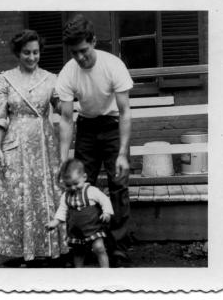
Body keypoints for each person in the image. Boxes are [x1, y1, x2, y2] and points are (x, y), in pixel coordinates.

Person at [56, 14, 133, 266]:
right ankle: (85, 243)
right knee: (79, 186)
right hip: (86, 127)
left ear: (94, 41)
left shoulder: (113, 65)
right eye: (74, 52)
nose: (79, 57)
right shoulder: (68, 72)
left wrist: (122, 152)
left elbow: (124, 112)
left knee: (118, 184)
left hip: (112, 126)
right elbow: (66, 119)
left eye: (84, 50)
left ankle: (118, 248)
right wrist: (64, 158)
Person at [0, 29, 68, 266]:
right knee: (19, 194)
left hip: (44, 142)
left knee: (46, 192)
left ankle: (49, 250)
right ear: (18, 53)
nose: (32, 57)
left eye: (36, 52)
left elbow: (65, 111)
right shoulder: (6, 78)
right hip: (15, 143)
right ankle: (23, 252)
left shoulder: (51, 79)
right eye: (26, 53)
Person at [46, 158, 114, 268]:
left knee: (99, 247)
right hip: (76, 231)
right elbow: (62, 210)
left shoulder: (91, 191)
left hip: (93, 227)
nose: (73, 188)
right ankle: (78, 273)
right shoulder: (66, 196)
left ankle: (105, 271)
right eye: (68, 185)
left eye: (76, 183)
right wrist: (55, 222)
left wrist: (106, 213)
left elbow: (105, 200)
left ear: (84, 177)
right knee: (78, 253)